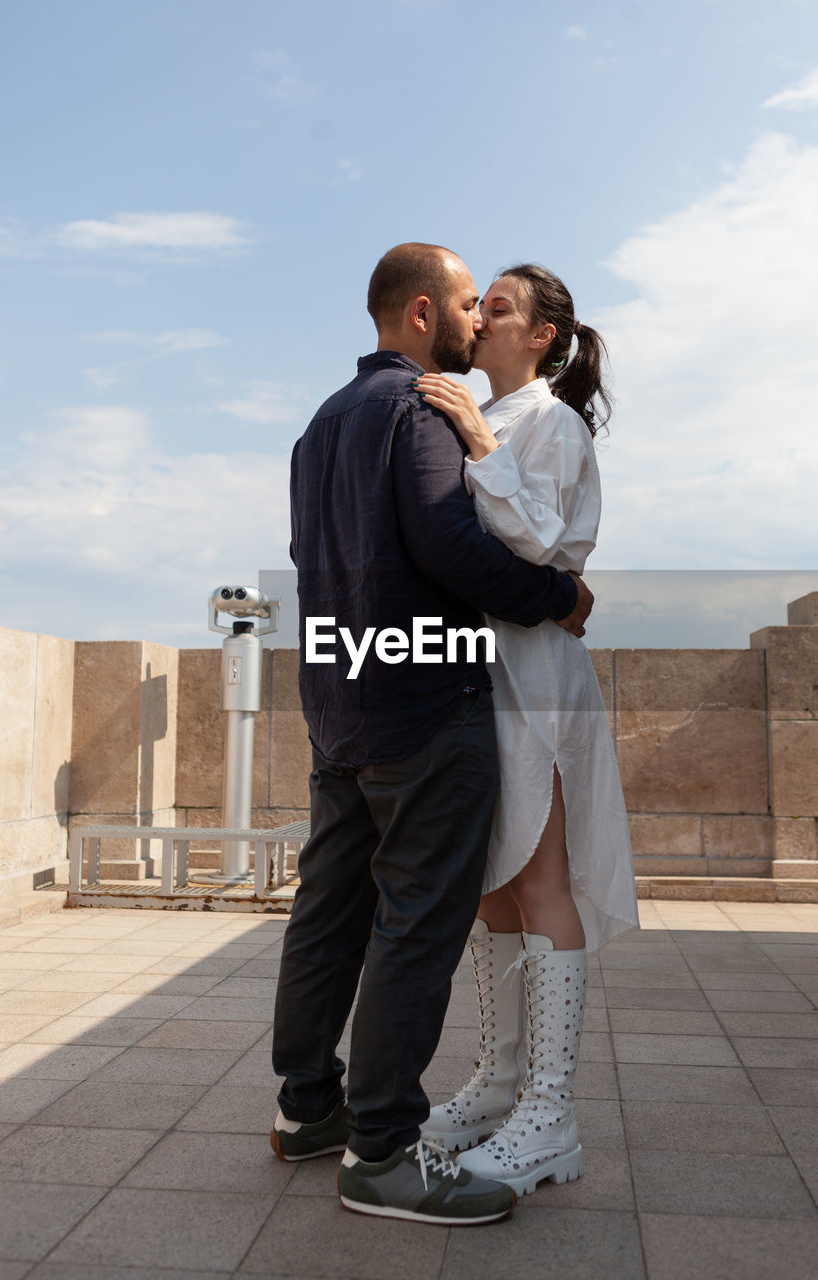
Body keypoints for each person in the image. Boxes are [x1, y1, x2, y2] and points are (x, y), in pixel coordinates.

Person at [269, 243, 594, 1226]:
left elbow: (309, 559)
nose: (471, 318)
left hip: (338, 705)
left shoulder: (320, 423)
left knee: (329, 915)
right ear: (420, 315)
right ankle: (381, 1153)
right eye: (463, 302)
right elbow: (451, 546)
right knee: (414, 926)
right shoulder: (419, 407)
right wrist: (556, 595)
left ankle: (305, 1109)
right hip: (419, 712)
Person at [414, 264, 640, 1196]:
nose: (481, 314)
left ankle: (550, 1110)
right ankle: (498, 1079)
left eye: (497, 305)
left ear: (542, 334)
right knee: (489, 888)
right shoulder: (497, 416)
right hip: (474, 680)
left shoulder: (549, 421)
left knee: (541, 879)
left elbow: (545, 547)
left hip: (533, 675)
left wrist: (471, 433)